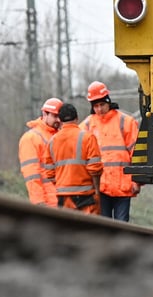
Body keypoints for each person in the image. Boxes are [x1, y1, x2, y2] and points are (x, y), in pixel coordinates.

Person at [80, 81, 141, 221]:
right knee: (105, 226)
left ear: (108, 101)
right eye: (95, 106)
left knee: (121, 227)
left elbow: (136, 154)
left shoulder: (126, 122)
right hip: (100, 187)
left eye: (102, 104)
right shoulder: (87, 126)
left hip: (123, 185)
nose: (99, 109)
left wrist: (137, 181)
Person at [44, 102, 103, 214]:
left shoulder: (52, 142)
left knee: (68, 229)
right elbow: (95, 169)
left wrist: (62, 185)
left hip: (63, 196)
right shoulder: (88, 137)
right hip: (86, 195)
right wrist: (96, 191)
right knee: (89, 229)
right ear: (77, 118)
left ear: (60, 120)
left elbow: (50, 173)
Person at [17, 97, 62, 207]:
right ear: (45, 114)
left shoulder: (59, 135)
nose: (58, 120)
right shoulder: (31, 138)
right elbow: (31, 174)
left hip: (63, 200)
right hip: (48, 202)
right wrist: (39, 202)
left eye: (60, 117)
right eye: (55, 116)